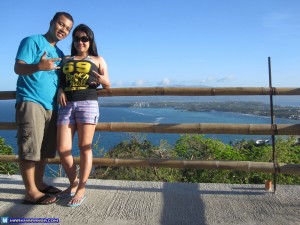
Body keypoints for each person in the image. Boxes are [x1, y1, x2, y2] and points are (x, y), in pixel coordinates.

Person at [14, 12, 74, 205]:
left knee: (44, 150)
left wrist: (62, 89)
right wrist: (39, 66)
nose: (63, 30)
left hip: (52, 106)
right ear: (51, 23)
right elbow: (18, 68)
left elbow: (60, 79)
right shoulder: (32, 41)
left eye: (67, 28)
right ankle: (31, 192)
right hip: (31, 100)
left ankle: (39, 184)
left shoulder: (60, 54)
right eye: (61, 24)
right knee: (30, 147)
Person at [56, 24, 110, 207]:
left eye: (84, 38)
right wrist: (60, 90)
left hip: (88, 103)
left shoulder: (98, 59)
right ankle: (73, 182)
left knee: (84, 147)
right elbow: (60, 81)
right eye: (77, 38)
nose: (80, 41)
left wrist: (102, 80)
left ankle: (81, 187)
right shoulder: (66, 59)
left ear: (90, 40)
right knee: (63, 149)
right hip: (66, 105)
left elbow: (107, 83)